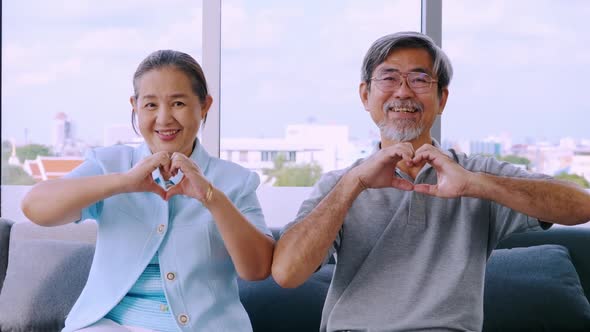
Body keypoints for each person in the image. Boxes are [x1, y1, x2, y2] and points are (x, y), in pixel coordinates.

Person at [271, 31, 590, 332]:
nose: (403, 91)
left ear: (442, 99)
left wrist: (475, 185)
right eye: (389, 77)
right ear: (366, 95)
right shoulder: (340, 184)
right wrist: (354, 183)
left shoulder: (475, 172)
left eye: (420, 79)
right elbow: (286, 273)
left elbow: (581, 206)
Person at [21, 50, 274, 332]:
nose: (164, 119)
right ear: (135, 106)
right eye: (151, 105)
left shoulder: (235, 180)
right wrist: (125, 182)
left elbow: (257, 269)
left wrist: (212, 198)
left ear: (204, 106)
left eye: (178, 103)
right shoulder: (109, 164)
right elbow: (35, 207)